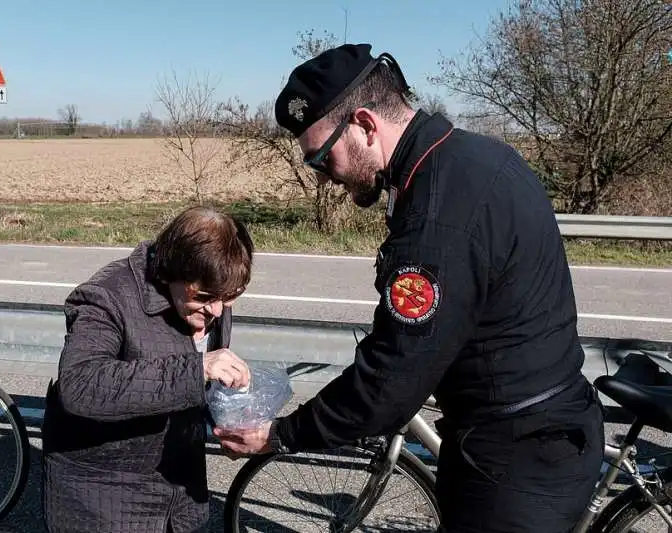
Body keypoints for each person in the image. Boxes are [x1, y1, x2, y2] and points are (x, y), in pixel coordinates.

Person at [214, 43, 605, 532]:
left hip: (513, 463)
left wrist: (282, 434)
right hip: (545, 434)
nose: (324, 177)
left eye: (321, 158)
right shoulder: (474, 157)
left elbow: (391, 380)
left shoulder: (437, 218)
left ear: (364, 124)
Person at [41, 205, 254, 533]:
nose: (217, 309)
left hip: (181, 493)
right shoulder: (106, 296)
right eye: (206, 297)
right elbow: (80, 384)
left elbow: (185, 388)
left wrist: (230, 419)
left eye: (229, 297)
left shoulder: (214, 296)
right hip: (106, 497)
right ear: (171, 272)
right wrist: (195, 370)